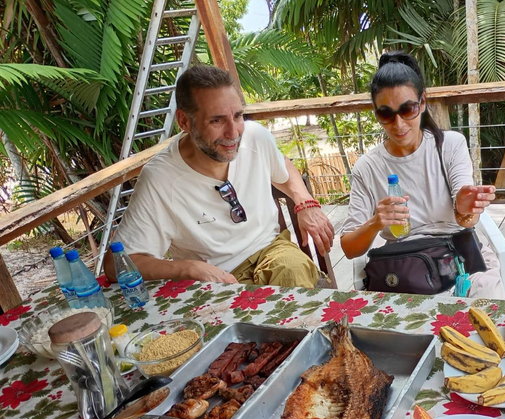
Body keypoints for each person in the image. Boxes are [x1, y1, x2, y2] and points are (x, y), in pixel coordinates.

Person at [104, 65, 334, 287]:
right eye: (217, 120)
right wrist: (187, 268)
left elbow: (282, 165)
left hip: (273, 251)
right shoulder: (161, 178)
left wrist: (305, 202)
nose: (233, 133)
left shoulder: (255, 137)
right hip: (216, 277)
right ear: (184, 121)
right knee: (242, 323)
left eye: (237, 116)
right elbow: (115, 266)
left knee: (292, 272)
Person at [340, 51, 505, 299]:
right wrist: (376, 222)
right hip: (405, 264)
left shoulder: (449, 144)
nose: (398, 124)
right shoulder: (367, 166)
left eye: (407, 109)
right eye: (386, 114)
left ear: (423, 103)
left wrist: (465, 208)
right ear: (376, 114)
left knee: (492, 311)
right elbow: (350, 248)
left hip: (459, 252)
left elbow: (466, 215)